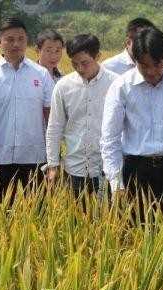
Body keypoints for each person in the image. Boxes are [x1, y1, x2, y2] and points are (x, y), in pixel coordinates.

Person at [101, 27, 163, 218]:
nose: (151, 71)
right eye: (144, 65)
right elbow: (110, 139)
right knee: (133, 234)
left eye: (157, 65)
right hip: (135, 171)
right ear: (134, 61)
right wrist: (116, 185)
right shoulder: (121, 87)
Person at [46, 34, 118, 199]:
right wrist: (53, 165)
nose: (80, 68)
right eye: (74, 64)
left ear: (97, 56)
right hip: (74, 169)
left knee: (109, 221)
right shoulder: (63, 87)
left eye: (85, 62)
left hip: (108, 169)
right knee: (75, 219)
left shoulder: (116, 84)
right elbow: (54, 127)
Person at [0, 17, 55, 202]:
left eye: (21, 38)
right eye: (10, 39)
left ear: (27, 40)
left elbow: (51, 117)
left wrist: (53, 159)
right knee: (0, 215)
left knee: (38, 214)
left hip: (35, 158)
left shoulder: (41, 74)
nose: (16, 44)